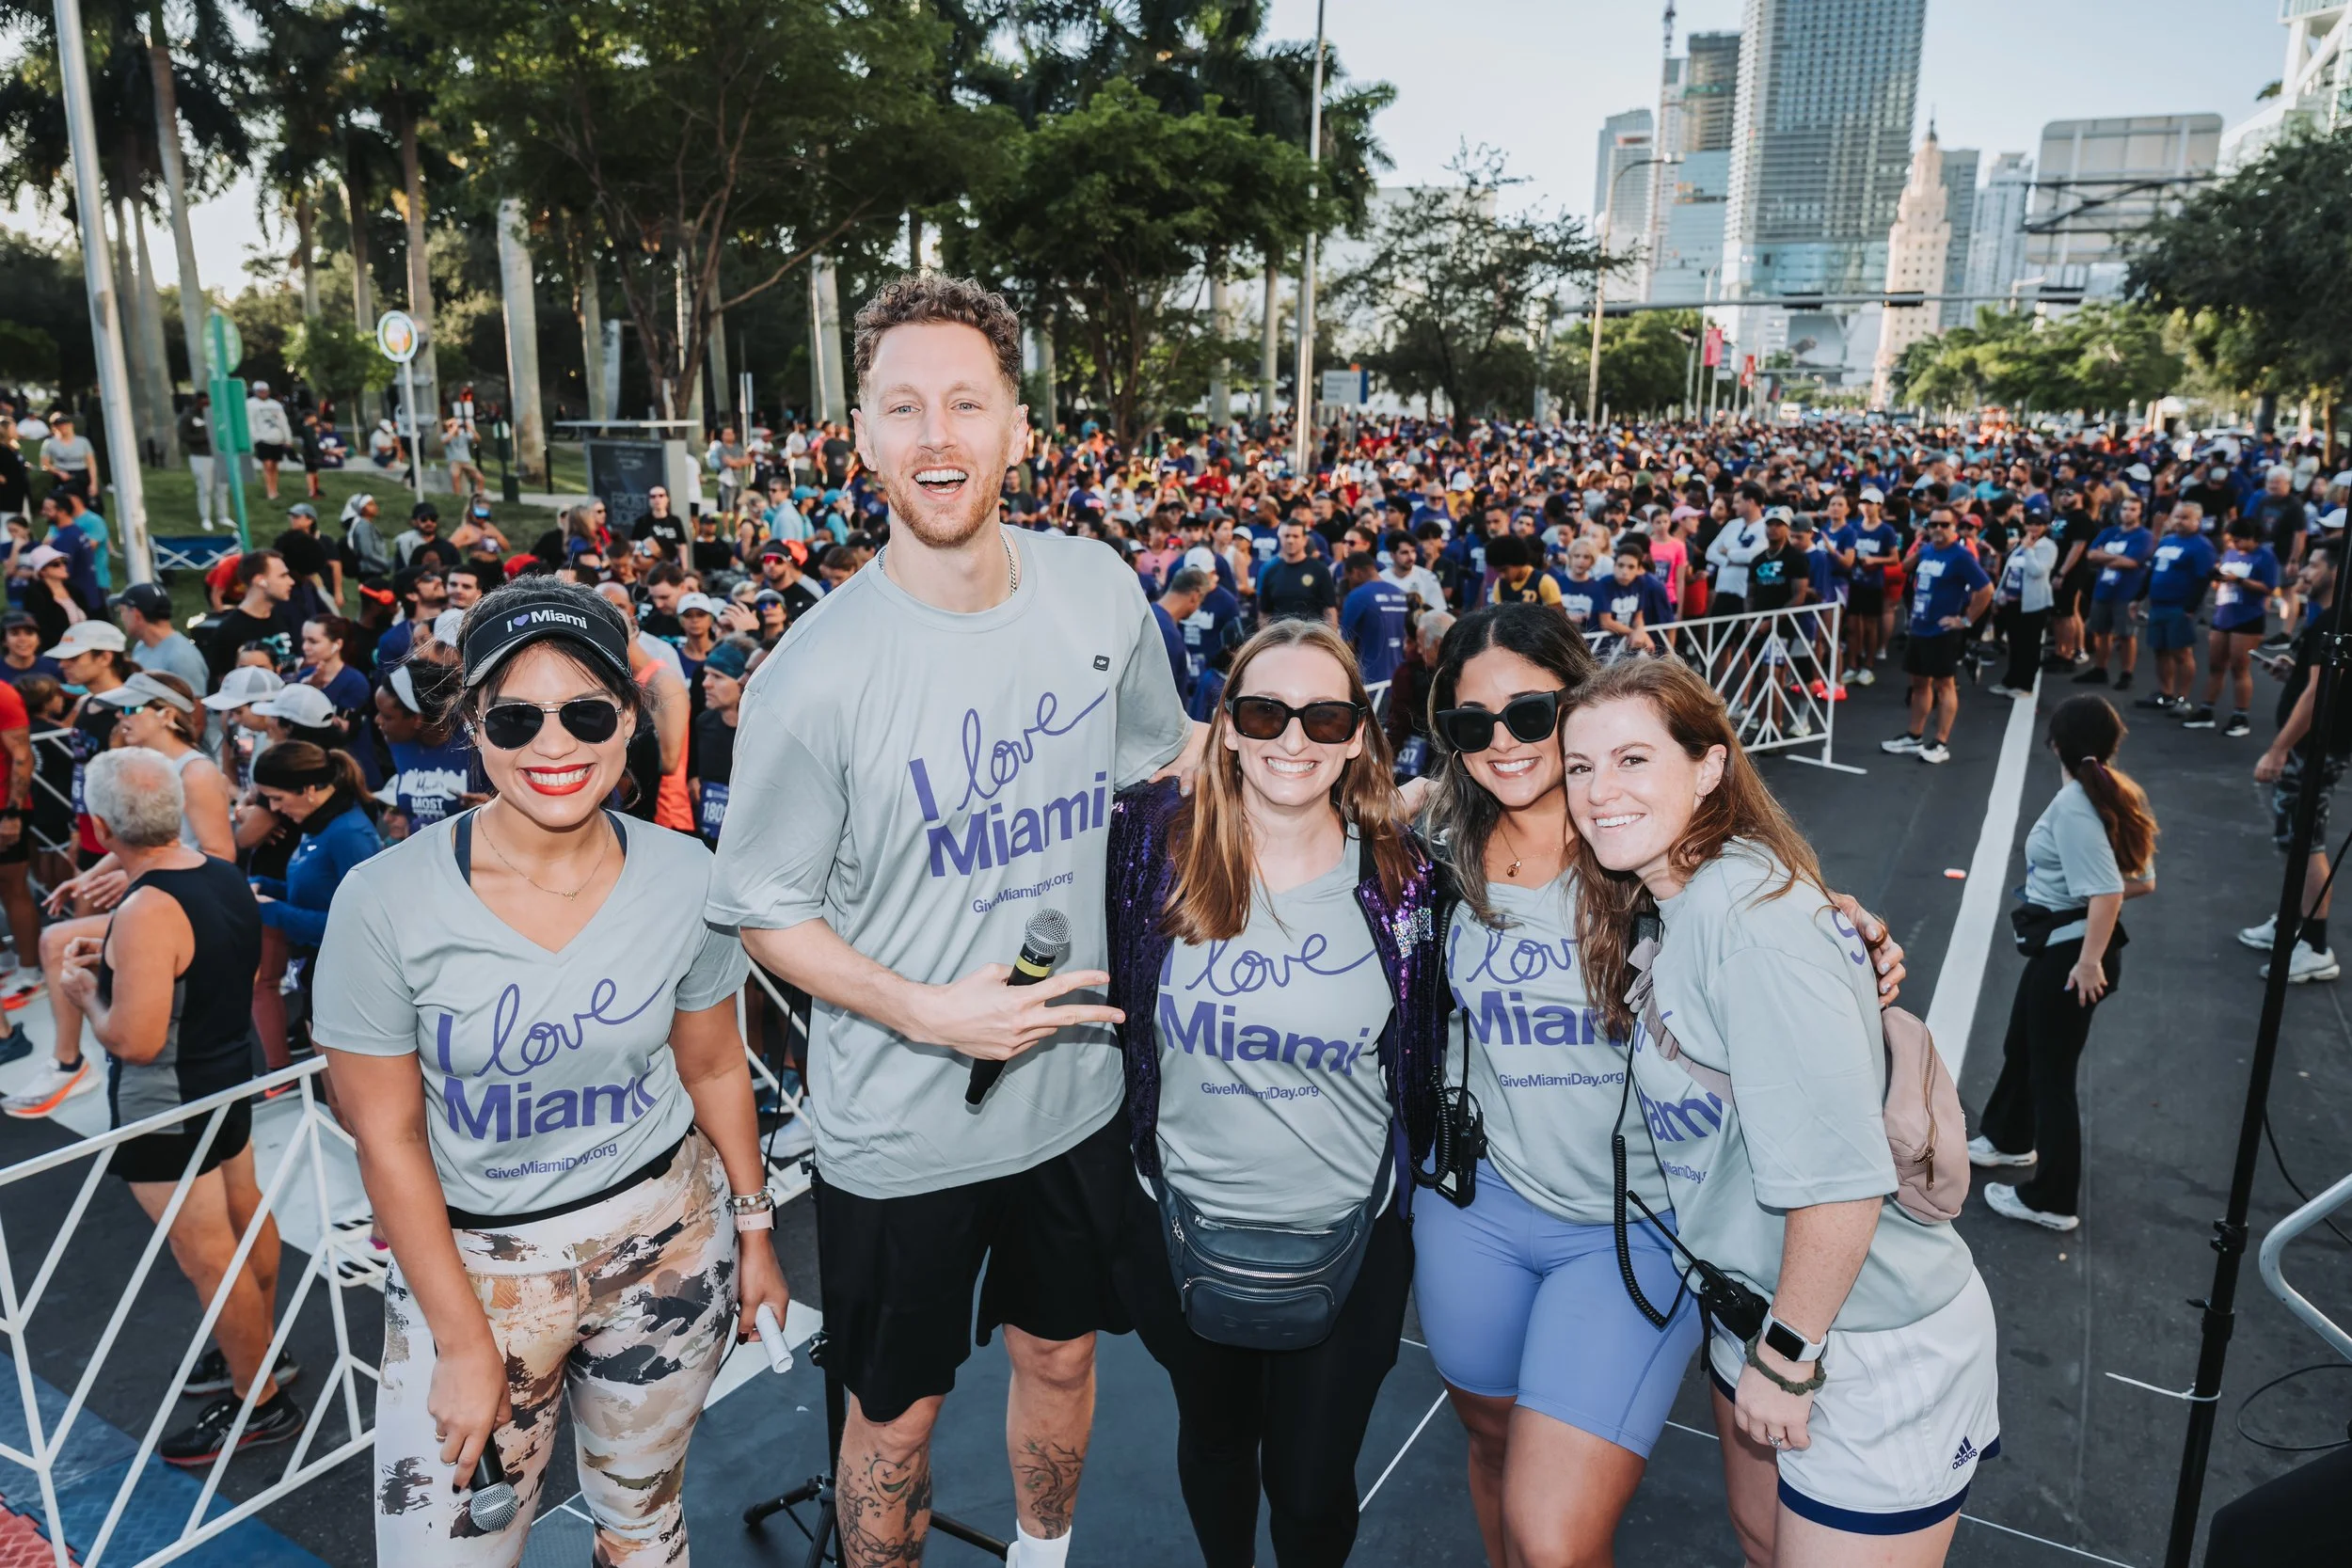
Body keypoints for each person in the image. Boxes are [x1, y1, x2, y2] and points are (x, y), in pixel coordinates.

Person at [707, 275, 1197, 1568]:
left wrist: (1364, 776)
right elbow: (761, 913)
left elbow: (1168, 756)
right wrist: (930, 1008)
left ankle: (1042, 1554)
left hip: (1074, 1100)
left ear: (1020, 427)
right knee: (892, 1416)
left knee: (1061, 1348)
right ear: (859, 433)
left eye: (967, 401)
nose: (938, 434)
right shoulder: (811, 675)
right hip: (896, 1126)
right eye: (905, 404)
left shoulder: (1099, 592)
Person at [314, 578, 789, 1563]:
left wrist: (756, 1230)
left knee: (644, 1527)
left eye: (584, 711)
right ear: (472, 727)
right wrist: (459, 1338)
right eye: (517, 717)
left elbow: (711, 1066)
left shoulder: (687, 876)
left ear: (627, 716)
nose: (554, 744)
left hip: (667, 1241)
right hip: (478, 1271)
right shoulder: (383, 899)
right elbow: (387, 1135)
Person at [1560, 656, 1997, 1566]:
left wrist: (1787, 1355)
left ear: (1709, 766)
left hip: (1862, 1334)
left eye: (1633, 759)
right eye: (1579, 765)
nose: (1599, 790)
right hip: (1760, 1307)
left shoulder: (1754, 921)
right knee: (1764, 1545)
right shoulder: (1675, 897)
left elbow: (1840, 1179)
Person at [1101, 619, 1443, 1568]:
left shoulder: (1407, 882)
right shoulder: (1148, 854)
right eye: (1266, 711)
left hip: (1351, 1240)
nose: (1293, 740)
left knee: (1309, 1485)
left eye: (1324, 716)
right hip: (1179, 1228)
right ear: (1229, 726)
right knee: (1214, 1443)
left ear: (1357, 735)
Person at [58, 747, 299, 1465]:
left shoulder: (145, 907)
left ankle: (259, 1400)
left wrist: (86, 993)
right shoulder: (223, 873)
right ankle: (259, 1356)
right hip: (224, 1077)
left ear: (101, 828)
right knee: (244, 1215)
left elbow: (132, 1037)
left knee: (207, 1255)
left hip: (169, 1099)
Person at [1972, 695, 2157, 1233]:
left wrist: (2089, 961)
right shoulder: (2111, 792)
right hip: (2069, 949)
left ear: (2056, 742)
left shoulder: (2079, 804)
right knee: (2023, 1045)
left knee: (2053, 1075)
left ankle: (2051, 1200)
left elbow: (2106, 891)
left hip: (2073, 959)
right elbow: (2141, 880)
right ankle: (2007, 1138)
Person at [2245, 539, 2350, 985]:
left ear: (2336, 573)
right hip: (2314, 747)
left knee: (2307, 842)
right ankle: (2291, 922)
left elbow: (2318, 694)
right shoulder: (2326, 621)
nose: (2303, 571)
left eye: (2314, 565)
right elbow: (2319, 680)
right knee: (2294, 840)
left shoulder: (2335, 621)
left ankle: (2316, 946)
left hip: (2314, 750)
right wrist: (2292, 668)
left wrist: (2279, 748)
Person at [248, 743, 380, 1050]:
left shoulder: (349, 834)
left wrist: (274, 911)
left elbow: (361, 927)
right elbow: (317, 895)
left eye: (277, 798)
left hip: (348, 986)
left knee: (343, 1097)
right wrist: (265, 886)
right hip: (319, 976)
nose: (274, 809)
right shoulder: (316, 824)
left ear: (308, 789)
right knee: (334, 1097)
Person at [1883, 506, 1993, 766]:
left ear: (1954, 527)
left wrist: (1965, 620)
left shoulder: (1961, 556)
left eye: (1944, 525)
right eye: (1934, 525)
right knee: (1919, 683)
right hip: (1920, 627)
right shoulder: (1928, 550)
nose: (1938, 530)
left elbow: (1986, 589)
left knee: (1945, 685)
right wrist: (1920, 544)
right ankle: (1914, 736)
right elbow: (1903, 567)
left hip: (1943, 631)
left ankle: (1941, 742)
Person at [2183, 514, 2280, 737]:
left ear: (2252, 538)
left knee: (2239, 667)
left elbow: (2268, 587)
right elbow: (2220, 583)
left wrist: (2239, 580)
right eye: (2232, 540)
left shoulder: (2265, 556)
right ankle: (2207, 709)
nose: (2234, 544)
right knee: (2216, 665)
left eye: (2239, 540)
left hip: (2248, 616)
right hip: (2224, 613)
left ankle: (2240, 715)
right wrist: (2219, 577)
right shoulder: (2230, 553)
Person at [2137, 503, 2217, 715]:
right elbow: (2151, 572)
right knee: (2160, 650)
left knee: (2181, 652)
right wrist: (2137, 598)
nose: (2180, 521)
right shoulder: (2167, 541)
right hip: (2158, 604)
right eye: (2177, 516)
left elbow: (2203, 579)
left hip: (2180, 606)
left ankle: (2183, 698)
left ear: (2197, 521)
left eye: (2185, 518)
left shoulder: (2201, 546)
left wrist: (2190, 608)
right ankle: (2166, 693)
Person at [2074, 495, 2154, 691]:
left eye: (2133, 509)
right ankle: (2100, 669)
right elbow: (2091, 555)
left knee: (2126, 634)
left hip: (2126, 592)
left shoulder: (2143, 536)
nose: (2128, 513)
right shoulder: (2109, 532)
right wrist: (2114, 558)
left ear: (2140, 513)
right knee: (2100, 632)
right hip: (2103, 589)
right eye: (2125, 508)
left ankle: (2126, 673)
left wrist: (2104, 557)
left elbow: (2132, 562)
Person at [1990, 511, 2059, 698]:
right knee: (2015, 644)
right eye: (2030, 523)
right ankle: (2010, 680)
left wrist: (2029, 550)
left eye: (2038, 524)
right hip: (2012, 603)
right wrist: (1997, 596)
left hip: (2033, 605)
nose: (2033, 528)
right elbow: (2008, 570)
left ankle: (2025, 685)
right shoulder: (2020, 544)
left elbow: (2037, 571)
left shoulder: (2047, 546)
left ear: (2045, 527)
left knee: (2030, 646)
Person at [206, 550, 296, 686]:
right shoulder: (229, 631)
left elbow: (289, 665)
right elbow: (225, 686)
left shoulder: (282, 617)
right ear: (260, 581)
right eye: (283, 576)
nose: (291, 581)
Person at [1338, 549, 1409, 703]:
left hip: (1372, 683)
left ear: (1356, 572)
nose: (1348, 583)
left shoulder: (1358, 596)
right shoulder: (1401, 594)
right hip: (1402, 680)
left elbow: (1344, 644)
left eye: (1348, 577)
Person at [115, 581, 210, 695]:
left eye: (122, 611)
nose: (122, 618)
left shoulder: (181, 658)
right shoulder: (141, 646)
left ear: (136, 615)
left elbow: (196, 710)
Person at [1258, 519, 1340, 625]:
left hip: (1311, 636)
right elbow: (1264, 613)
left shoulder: (1320, 570)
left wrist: (1329, 638)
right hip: (1280, 638)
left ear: (1305, 540)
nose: (1290, 540)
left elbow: (1329, 610)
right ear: (1280, 538)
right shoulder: (1269, 570)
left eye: (1295, 536)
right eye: (1286, 536)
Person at [179, 390, 228, 530]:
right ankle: (205, 518)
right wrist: (205, 438)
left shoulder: (216, 415)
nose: (206, 404)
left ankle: (222, 516)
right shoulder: (188, 417)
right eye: (203, 402)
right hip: (200, 456)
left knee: (222, 488)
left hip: (219, 455)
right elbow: (183, 436)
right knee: (205, 488)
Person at [246, 382, 294, 501]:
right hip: (262, 439)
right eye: (260, 391)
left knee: (275, 466)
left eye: (265, 390)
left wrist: (288, 438)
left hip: (277, 438)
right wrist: (255, 438)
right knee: (267, 465)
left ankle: (275, 489)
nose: (263, 393)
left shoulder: (275, 405)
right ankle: (269, 491)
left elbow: (283, 422)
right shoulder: (250, 404)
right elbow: (250, 422)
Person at [38, 411, 96, 503]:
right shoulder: (49, 443)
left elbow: (91, 463)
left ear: (71, 425)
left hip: (81, 476)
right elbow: (44, 464)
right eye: (58, 425)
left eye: (64, 424)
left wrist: (93, 483)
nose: (62, 427)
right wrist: (59, 472)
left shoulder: (83, 442)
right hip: (62, 477)